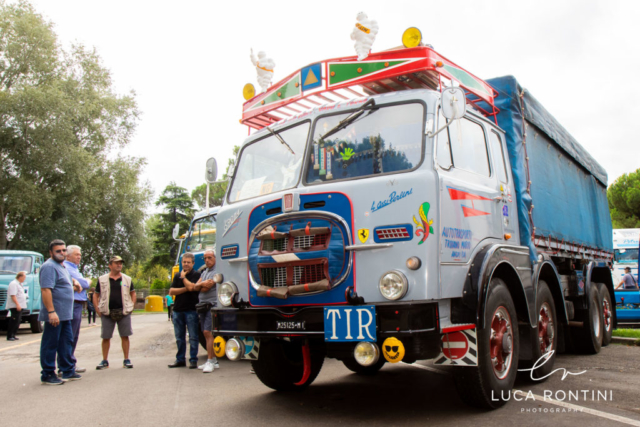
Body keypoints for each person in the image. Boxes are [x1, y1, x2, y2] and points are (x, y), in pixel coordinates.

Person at [39, 239, 83, 385]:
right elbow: (46, 289)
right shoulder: (49, 267)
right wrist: (51, 311)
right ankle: (47, 373)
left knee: (66, 342)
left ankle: (67, 370)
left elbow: (65, 279)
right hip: (55, 315)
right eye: (58, 251)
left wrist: (75, 282)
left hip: (65, 314)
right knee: (51, 343)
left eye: (64, 250)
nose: (62, 253)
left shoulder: (61, 266)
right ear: (51, 252)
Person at [93, 256, 136, 370]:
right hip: (107, 312)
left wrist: (131, 306)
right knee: (106, 337)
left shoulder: (127, 279)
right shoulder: (102, 279)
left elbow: (133, 293)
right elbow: (96, 294)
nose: (119, 265)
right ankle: (105, 360)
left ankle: (126, 359)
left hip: (123, 311)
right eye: (116, 263)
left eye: (120, 263)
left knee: (125, 336)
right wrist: (98, 309)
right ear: (110, 265)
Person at [168, 253, 201, 369]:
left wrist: (184, 279)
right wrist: (186, 288)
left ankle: (193, 360)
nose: (186, 264)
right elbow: (171, 291)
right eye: (184, 262)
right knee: (179, 337)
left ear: (193, 263)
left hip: (191, 310)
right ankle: (180, 359)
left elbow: (193, 288)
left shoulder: (197, 275)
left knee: (193, 337)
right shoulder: (177, 275)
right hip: (178, 310)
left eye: (188, 262)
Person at [63, 245, 89, 373]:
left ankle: (69, 363)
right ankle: (66, 366)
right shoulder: (67, 267)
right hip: (72, 303)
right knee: (70, 335)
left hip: (77, 303)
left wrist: (84, 282)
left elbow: (82, 284)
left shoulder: (74, 268)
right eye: (76, 254)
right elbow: (84, 284)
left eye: (80, 254)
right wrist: (87, 282)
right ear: (68, 255)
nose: (79, 256)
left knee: (74, 335)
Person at [195, 249, 219, 373]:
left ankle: (210, 361)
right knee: (205, 333)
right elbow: (195, 286)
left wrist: (201, 285)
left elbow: (206, 288)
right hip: (202, 306)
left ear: (215, 258)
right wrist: (201, 284)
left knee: (208, 333)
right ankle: (213, 360)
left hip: (211, 305)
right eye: (205, 258)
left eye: (209, 257)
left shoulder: (217, 271)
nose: (207, 260)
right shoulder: (204, 272)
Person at [7, 271, 28, 341]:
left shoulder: (19, 284)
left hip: (20, 305)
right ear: (20, 277)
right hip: (15, 306)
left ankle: (13, 334)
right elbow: (13, 295)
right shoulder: (13, 284)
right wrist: (17, 304)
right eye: (24, 277)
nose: (25, 279)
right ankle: (10, 335)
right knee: (14, 320)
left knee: (18, 321)